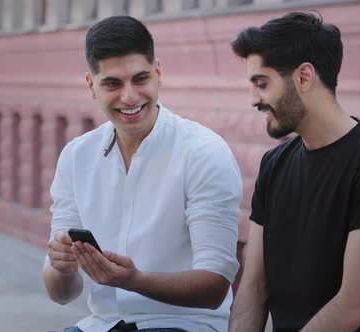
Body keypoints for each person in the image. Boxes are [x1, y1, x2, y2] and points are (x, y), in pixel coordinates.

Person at [43, 16, 243, 332]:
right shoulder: (76, 156)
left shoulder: (204, 152)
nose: (130, 97)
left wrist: (134, 281)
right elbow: (61, 294)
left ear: (158, 73)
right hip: (102, 324)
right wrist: (62, 267)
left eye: (140, 79)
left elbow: (215, 287)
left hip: (185, 325)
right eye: (112, 83)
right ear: (91, 86)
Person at [228, 12, 360, 332]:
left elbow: (354, 304)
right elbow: (254, 287)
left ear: (304, 77)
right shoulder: (274, 165)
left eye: (262, 83)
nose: (253, 99)